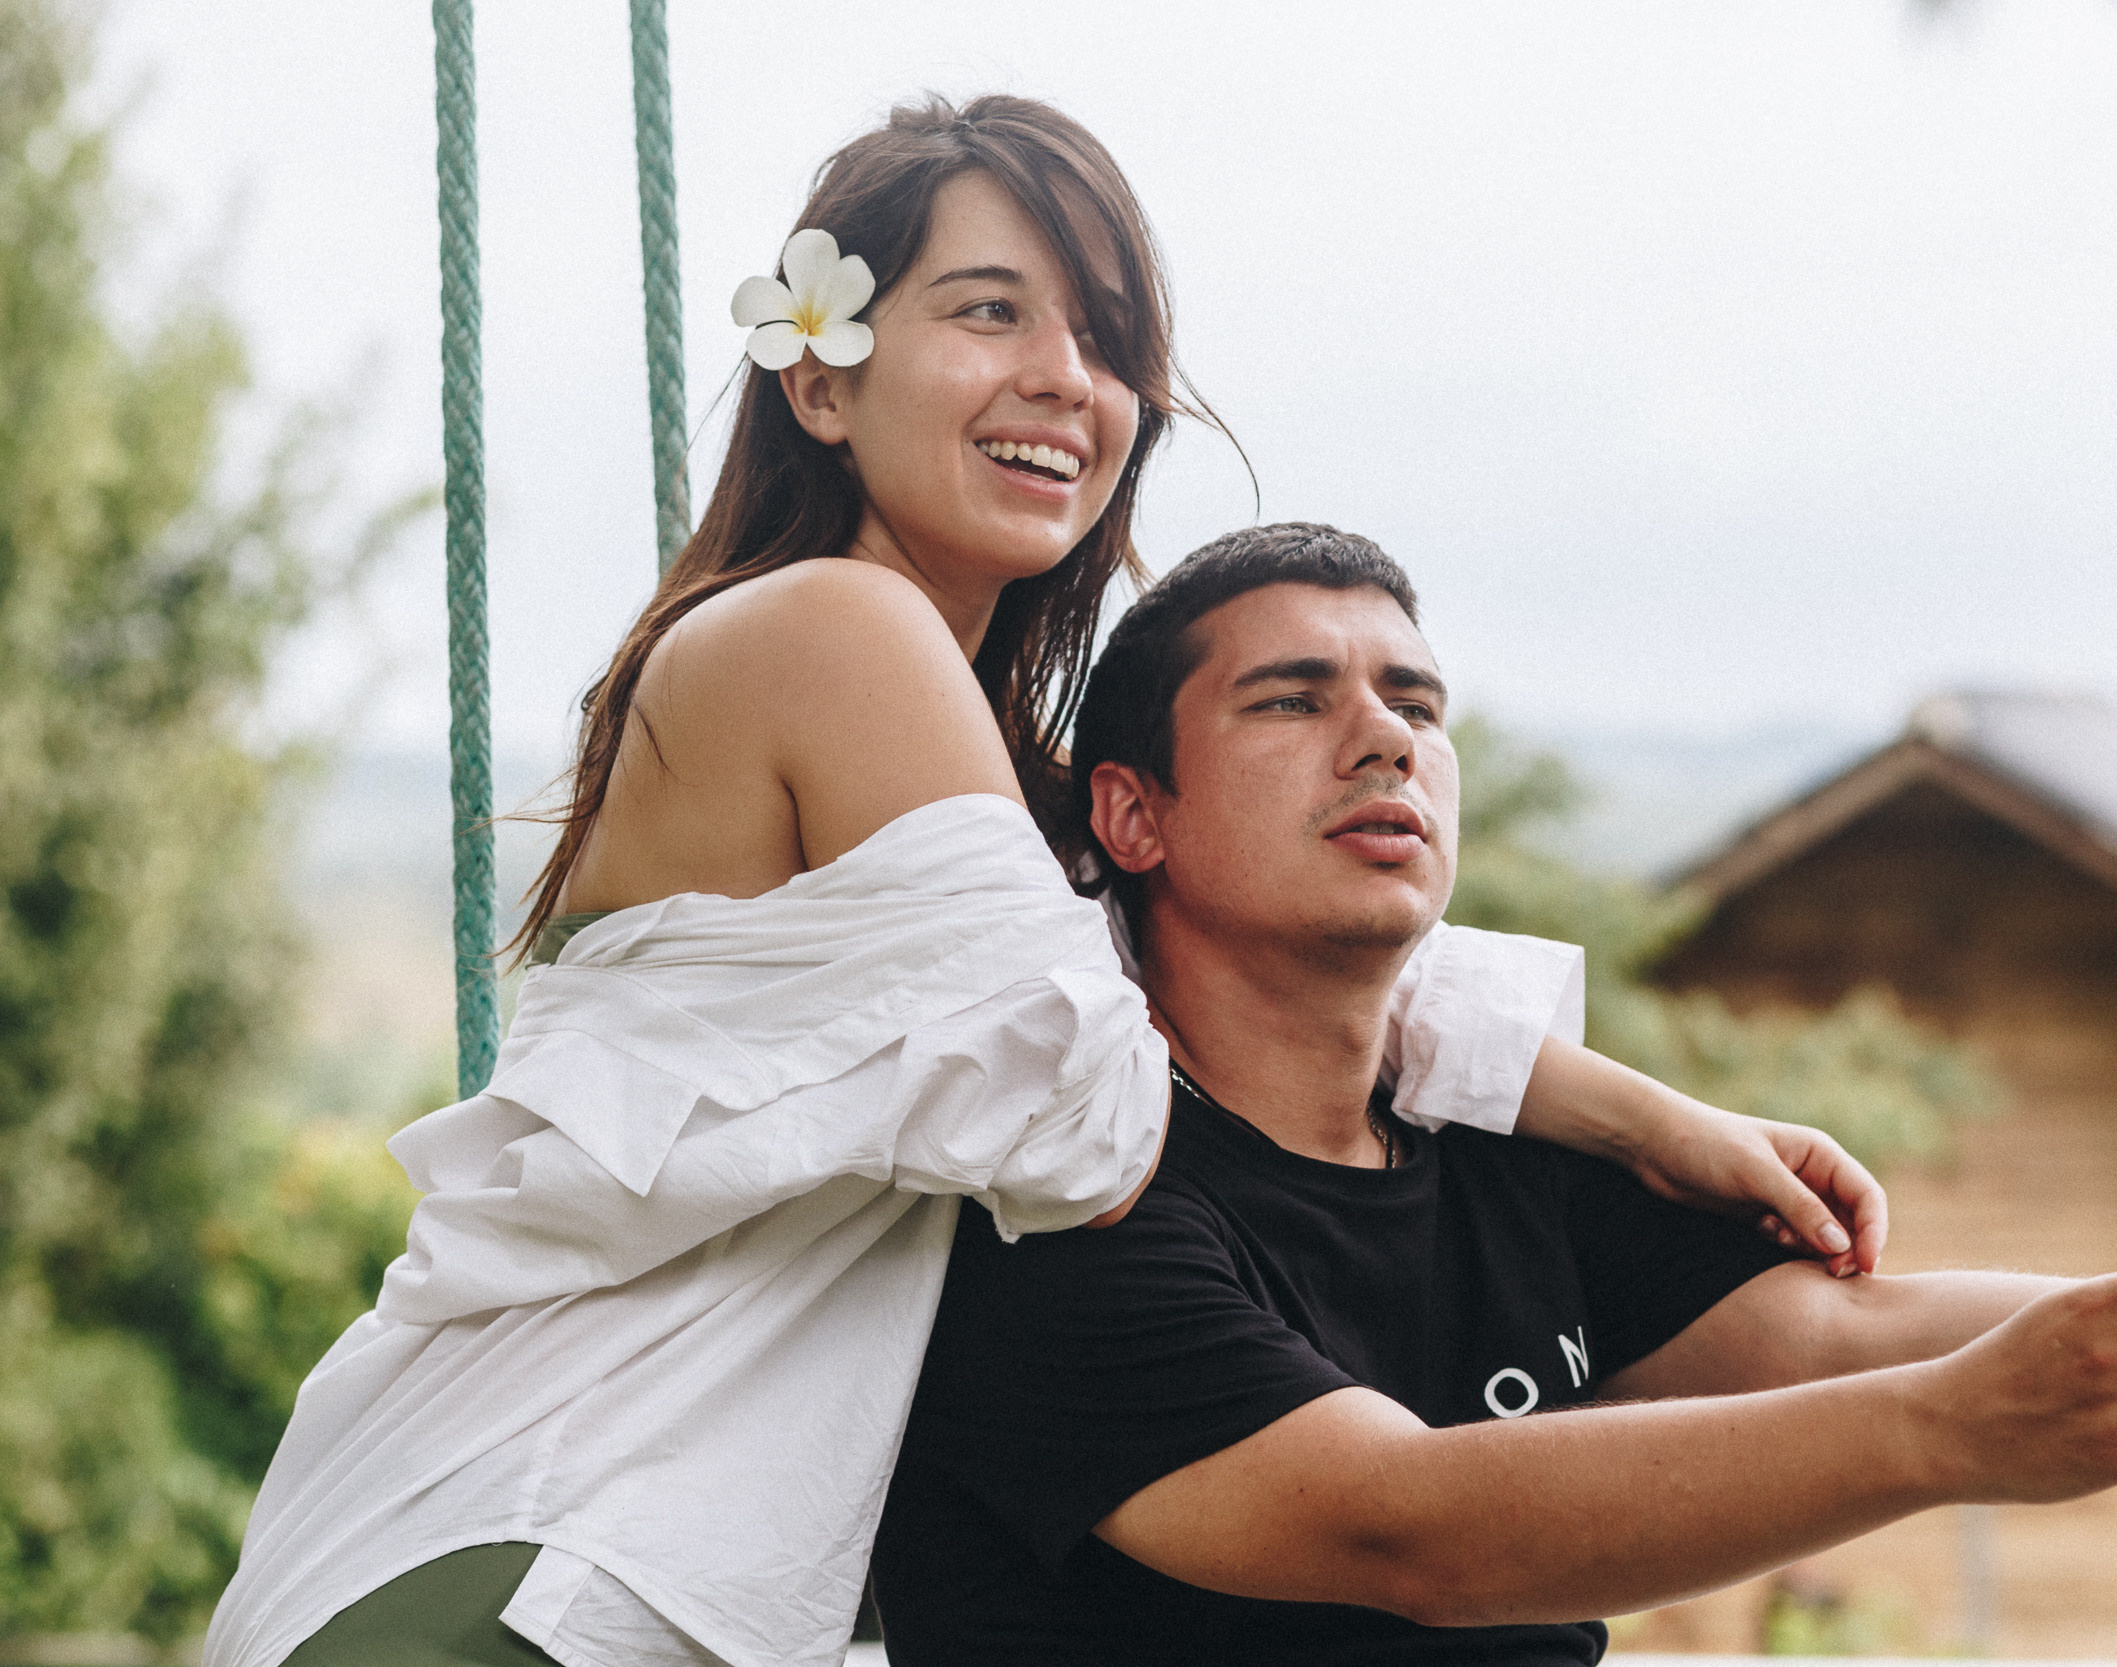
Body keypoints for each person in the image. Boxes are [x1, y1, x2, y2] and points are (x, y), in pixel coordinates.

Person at [205, 101, 1891, 1667]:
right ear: (821, 385)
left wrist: (1633, 1114)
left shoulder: (956, 759)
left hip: (611, 1580)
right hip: (526, 1559)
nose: (1064, 381)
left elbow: (1218, 968)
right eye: (991, 312)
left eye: (1105, 338)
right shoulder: (832, 628)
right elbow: (1092, 1112)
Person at [871, 522, 2117, 1666]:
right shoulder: (1068, 1191)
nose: (1384, 742)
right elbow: (1405, 1530)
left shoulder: (1502, 1144)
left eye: (1415, 703)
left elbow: (1835, 1335)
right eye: (1294, 699)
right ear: (1133, 816)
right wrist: (1954, 1430)